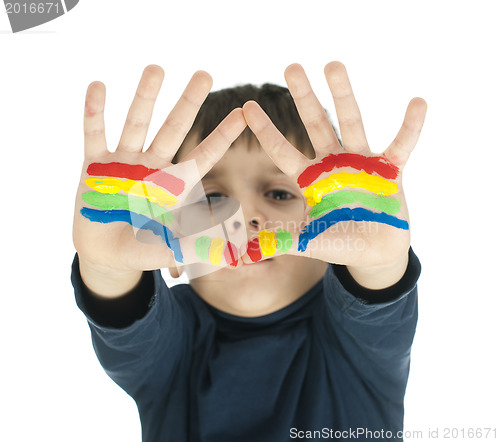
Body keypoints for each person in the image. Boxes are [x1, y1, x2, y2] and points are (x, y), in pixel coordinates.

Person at [72, 62, 427, 441]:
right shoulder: (170, 346)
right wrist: (107, 265)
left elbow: (376, 295)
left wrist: (379, 258)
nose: (243, 216)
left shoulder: (356, 340)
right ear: (170, 260)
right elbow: (125, 316)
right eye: (212, 198)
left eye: (279, 194)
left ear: (335, 243)